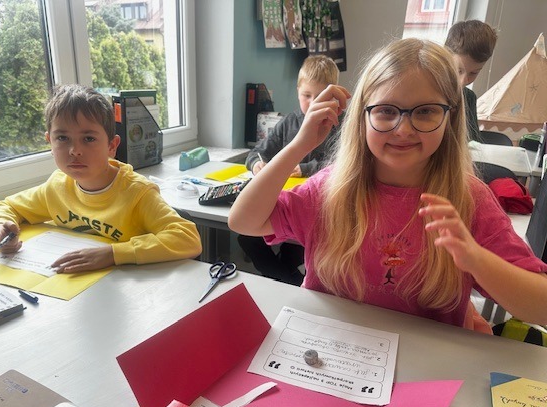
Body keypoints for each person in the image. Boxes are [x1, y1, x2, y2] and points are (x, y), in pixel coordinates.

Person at [228, 38, 547, 330]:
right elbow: (243, 221)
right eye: (385, 111)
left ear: (449, 117)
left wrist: (476, 259)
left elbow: (541, 307)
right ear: (362, 116)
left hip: (423, 363)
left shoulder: (469, 200)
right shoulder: (330, 189)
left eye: (425, 111)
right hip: (330, 354)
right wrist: (299, 144)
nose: (403, 129)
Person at [0, 84, 201, 273]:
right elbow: (5, 207)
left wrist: (113, 254)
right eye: (62, 138)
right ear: (50, 142)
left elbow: (187, 238)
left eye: (88, 139)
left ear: (111, 146)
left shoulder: (137, 193)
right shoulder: (57, 187)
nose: (74, 150)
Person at [239, 55, 340, 286]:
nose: (313, 103)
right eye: (307, 95)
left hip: (317, 206)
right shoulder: (289, 121)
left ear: (334, 95)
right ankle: (289, 280)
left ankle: (287, 280)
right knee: (248, 238)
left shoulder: (340, 123)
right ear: (297, 92)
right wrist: (257, 164)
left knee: (294, 248)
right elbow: (257, 153)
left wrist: (303, 168)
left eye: (321, 96)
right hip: (283, 201)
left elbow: (341, 164)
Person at [445, 20, 498, 143]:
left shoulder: (469, 98)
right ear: (445, 56)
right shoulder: (427, 92)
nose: (463, 81)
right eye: (458, 70)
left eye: (474, 73)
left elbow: (473, 144)